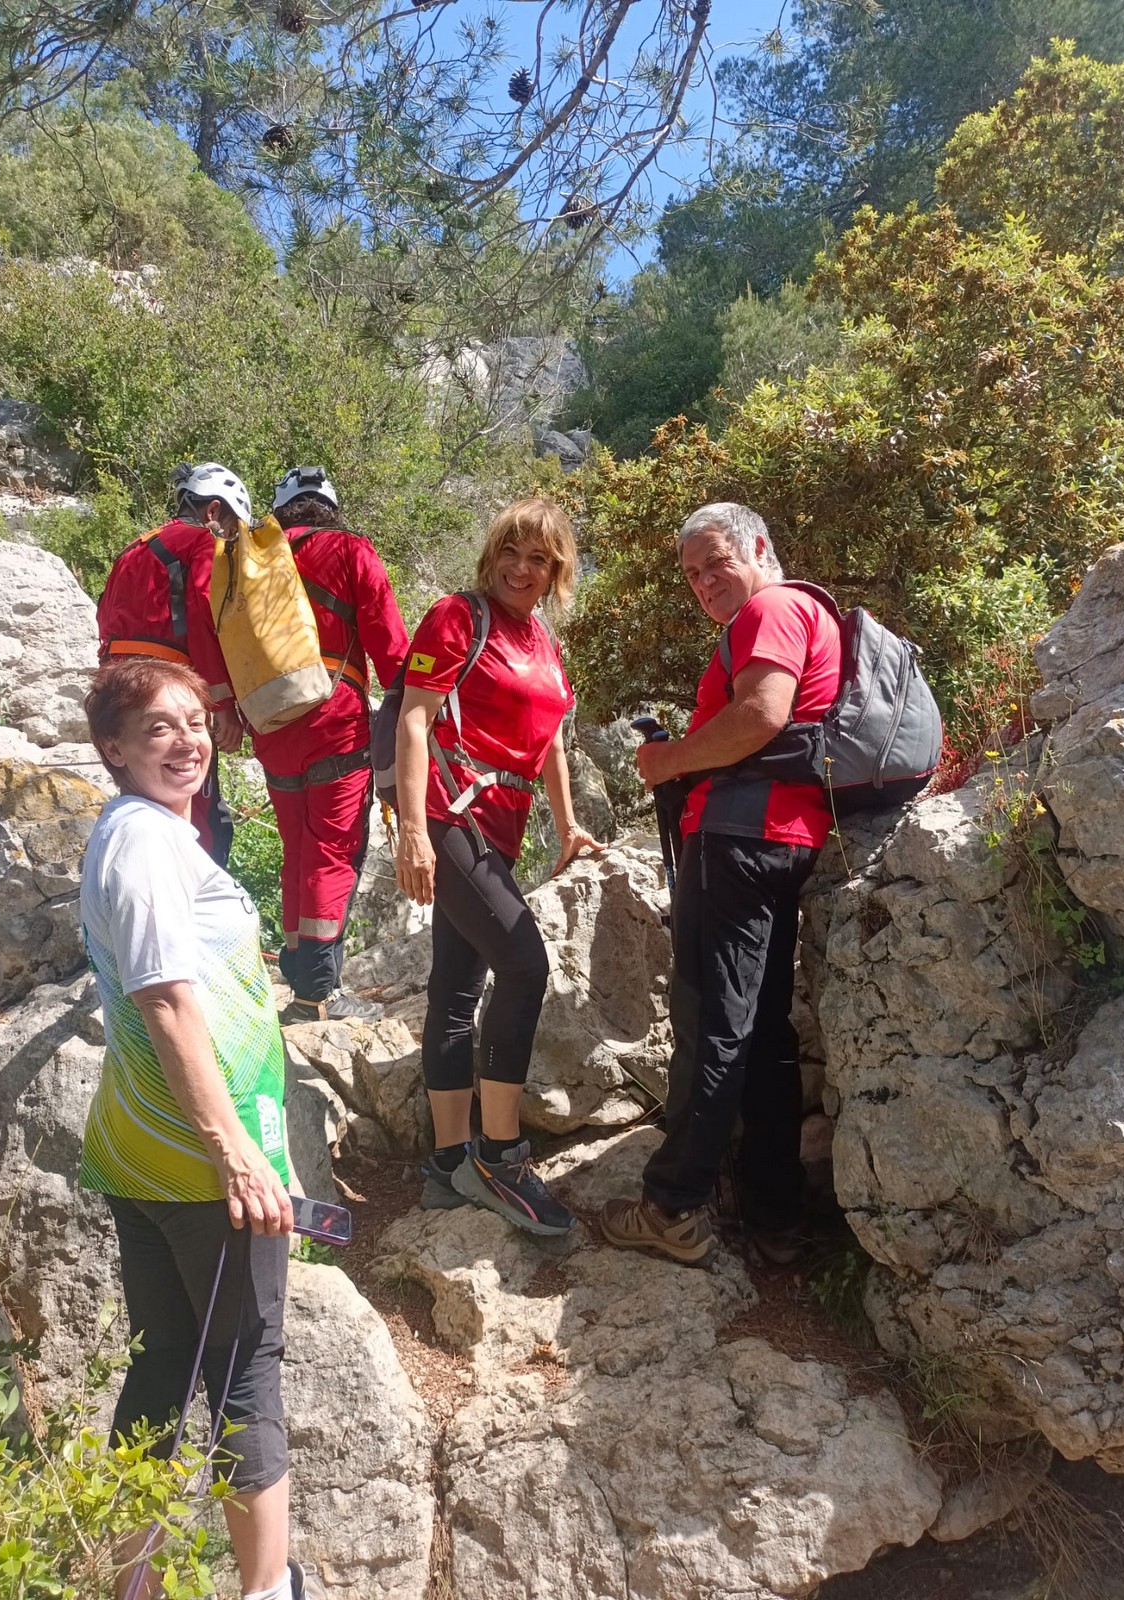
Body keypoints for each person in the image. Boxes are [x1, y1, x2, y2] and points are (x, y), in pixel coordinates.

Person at [78, 655, 321, 1600]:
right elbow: (167, 1001)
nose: (185, 742)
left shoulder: (140, 833)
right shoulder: (144, 844)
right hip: (199, 1169)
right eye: (156, 729)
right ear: (114, 749)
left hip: (147, 1155)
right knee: (244, 1376)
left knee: (160, 1374)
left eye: (193, 722)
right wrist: (239, 1156)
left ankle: (128, 1585)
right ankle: (266, 1590)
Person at [600, 502, 841, 1267]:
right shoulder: (808, 613)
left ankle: (671, 1206)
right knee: (763, 1029)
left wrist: (668, 762)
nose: (704, 582)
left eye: (716, 563)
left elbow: (762, 714)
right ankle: (774, 1213)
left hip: (735, 841)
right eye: (692, 574)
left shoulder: (770, 609)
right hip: (786, 840)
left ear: (758, 547)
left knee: (712, 1021)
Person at [394, 498, 603, 1235]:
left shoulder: (543, 641)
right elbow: (414, 718)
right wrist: (412, 832)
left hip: (500, 830)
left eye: (538, 558)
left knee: (457, 989)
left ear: (557, 570)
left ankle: (449, 1164)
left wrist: (569, 825)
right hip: (450, 817)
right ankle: (500, 1156)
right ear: (492, 554)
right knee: (523, 964)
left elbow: (550, 743)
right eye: (511, 551)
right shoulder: (458, 617)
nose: (521, 568)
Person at [254, 466, 409, 1025]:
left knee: (297, 851)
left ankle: (300, 974)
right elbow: (391, 649)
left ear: (284, 511)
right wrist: (413, 712)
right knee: (333, 852)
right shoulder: (349, 550)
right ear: (330, 509)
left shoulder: (255, 559)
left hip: (271, 725)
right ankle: (318, 995)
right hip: (334, 721)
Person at [96, 463, 250, 866]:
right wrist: (222, 705)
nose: (230, 538)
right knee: (199, 815)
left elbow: (104, 622)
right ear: (213, 510)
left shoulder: (135, 547)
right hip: (168, 688)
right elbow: (203, 622)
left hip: (117, 692)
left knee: (143, 802)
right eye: (232, 527)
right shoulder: (200, 541)